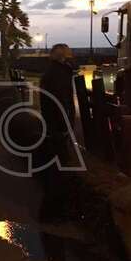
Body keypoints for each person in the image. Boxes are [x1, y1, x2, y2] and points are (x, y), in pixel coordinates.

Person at [37, 43, 77, 222]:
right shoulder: (59, 75)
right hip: (57, 128)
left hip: (53, 126)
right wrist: (64, 127)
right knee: (60, 169)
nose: (72, 58)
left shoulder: (51, 73)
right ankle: (53, 213)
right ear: (63, 58)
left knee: (56, 168)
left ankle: (52, 211)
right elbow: (61, 102)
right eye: (69, 55)